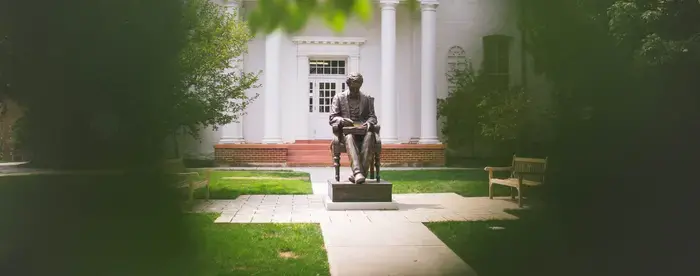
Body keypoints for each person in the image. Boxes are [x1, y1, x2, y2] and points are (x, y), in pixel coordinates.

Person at [328, 72, 378, 184]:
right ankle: (358, 173)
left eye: (357, 88)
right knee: (349, 137)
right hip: (346, 133)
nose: (355, 90)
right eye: (353, 88)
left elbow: (372, 117)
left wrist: (369, 122)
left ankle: (358, 174)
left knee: (370, 135)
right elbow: (332, 117)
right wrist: (342, 120)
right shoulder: (339, 98)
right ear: (348, 84)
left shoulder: (367, 99)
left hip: (363, 132)